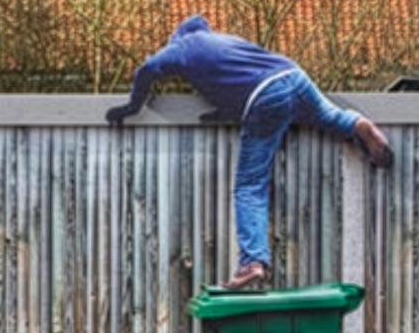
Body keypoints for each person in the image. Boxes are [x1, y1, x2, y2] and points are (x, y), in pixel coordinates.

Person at [106, 15, 392, 291]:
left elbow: (147, 69)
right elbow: (235, 81)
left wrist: (132, 107)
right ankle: (358, 124)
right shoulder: (226, 43)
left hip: (266, 95)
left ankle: (252, 261)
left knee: (249, 186)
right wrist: (221, 113)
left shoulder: (181, 48)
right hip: (293, 75)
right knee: (329, 118)